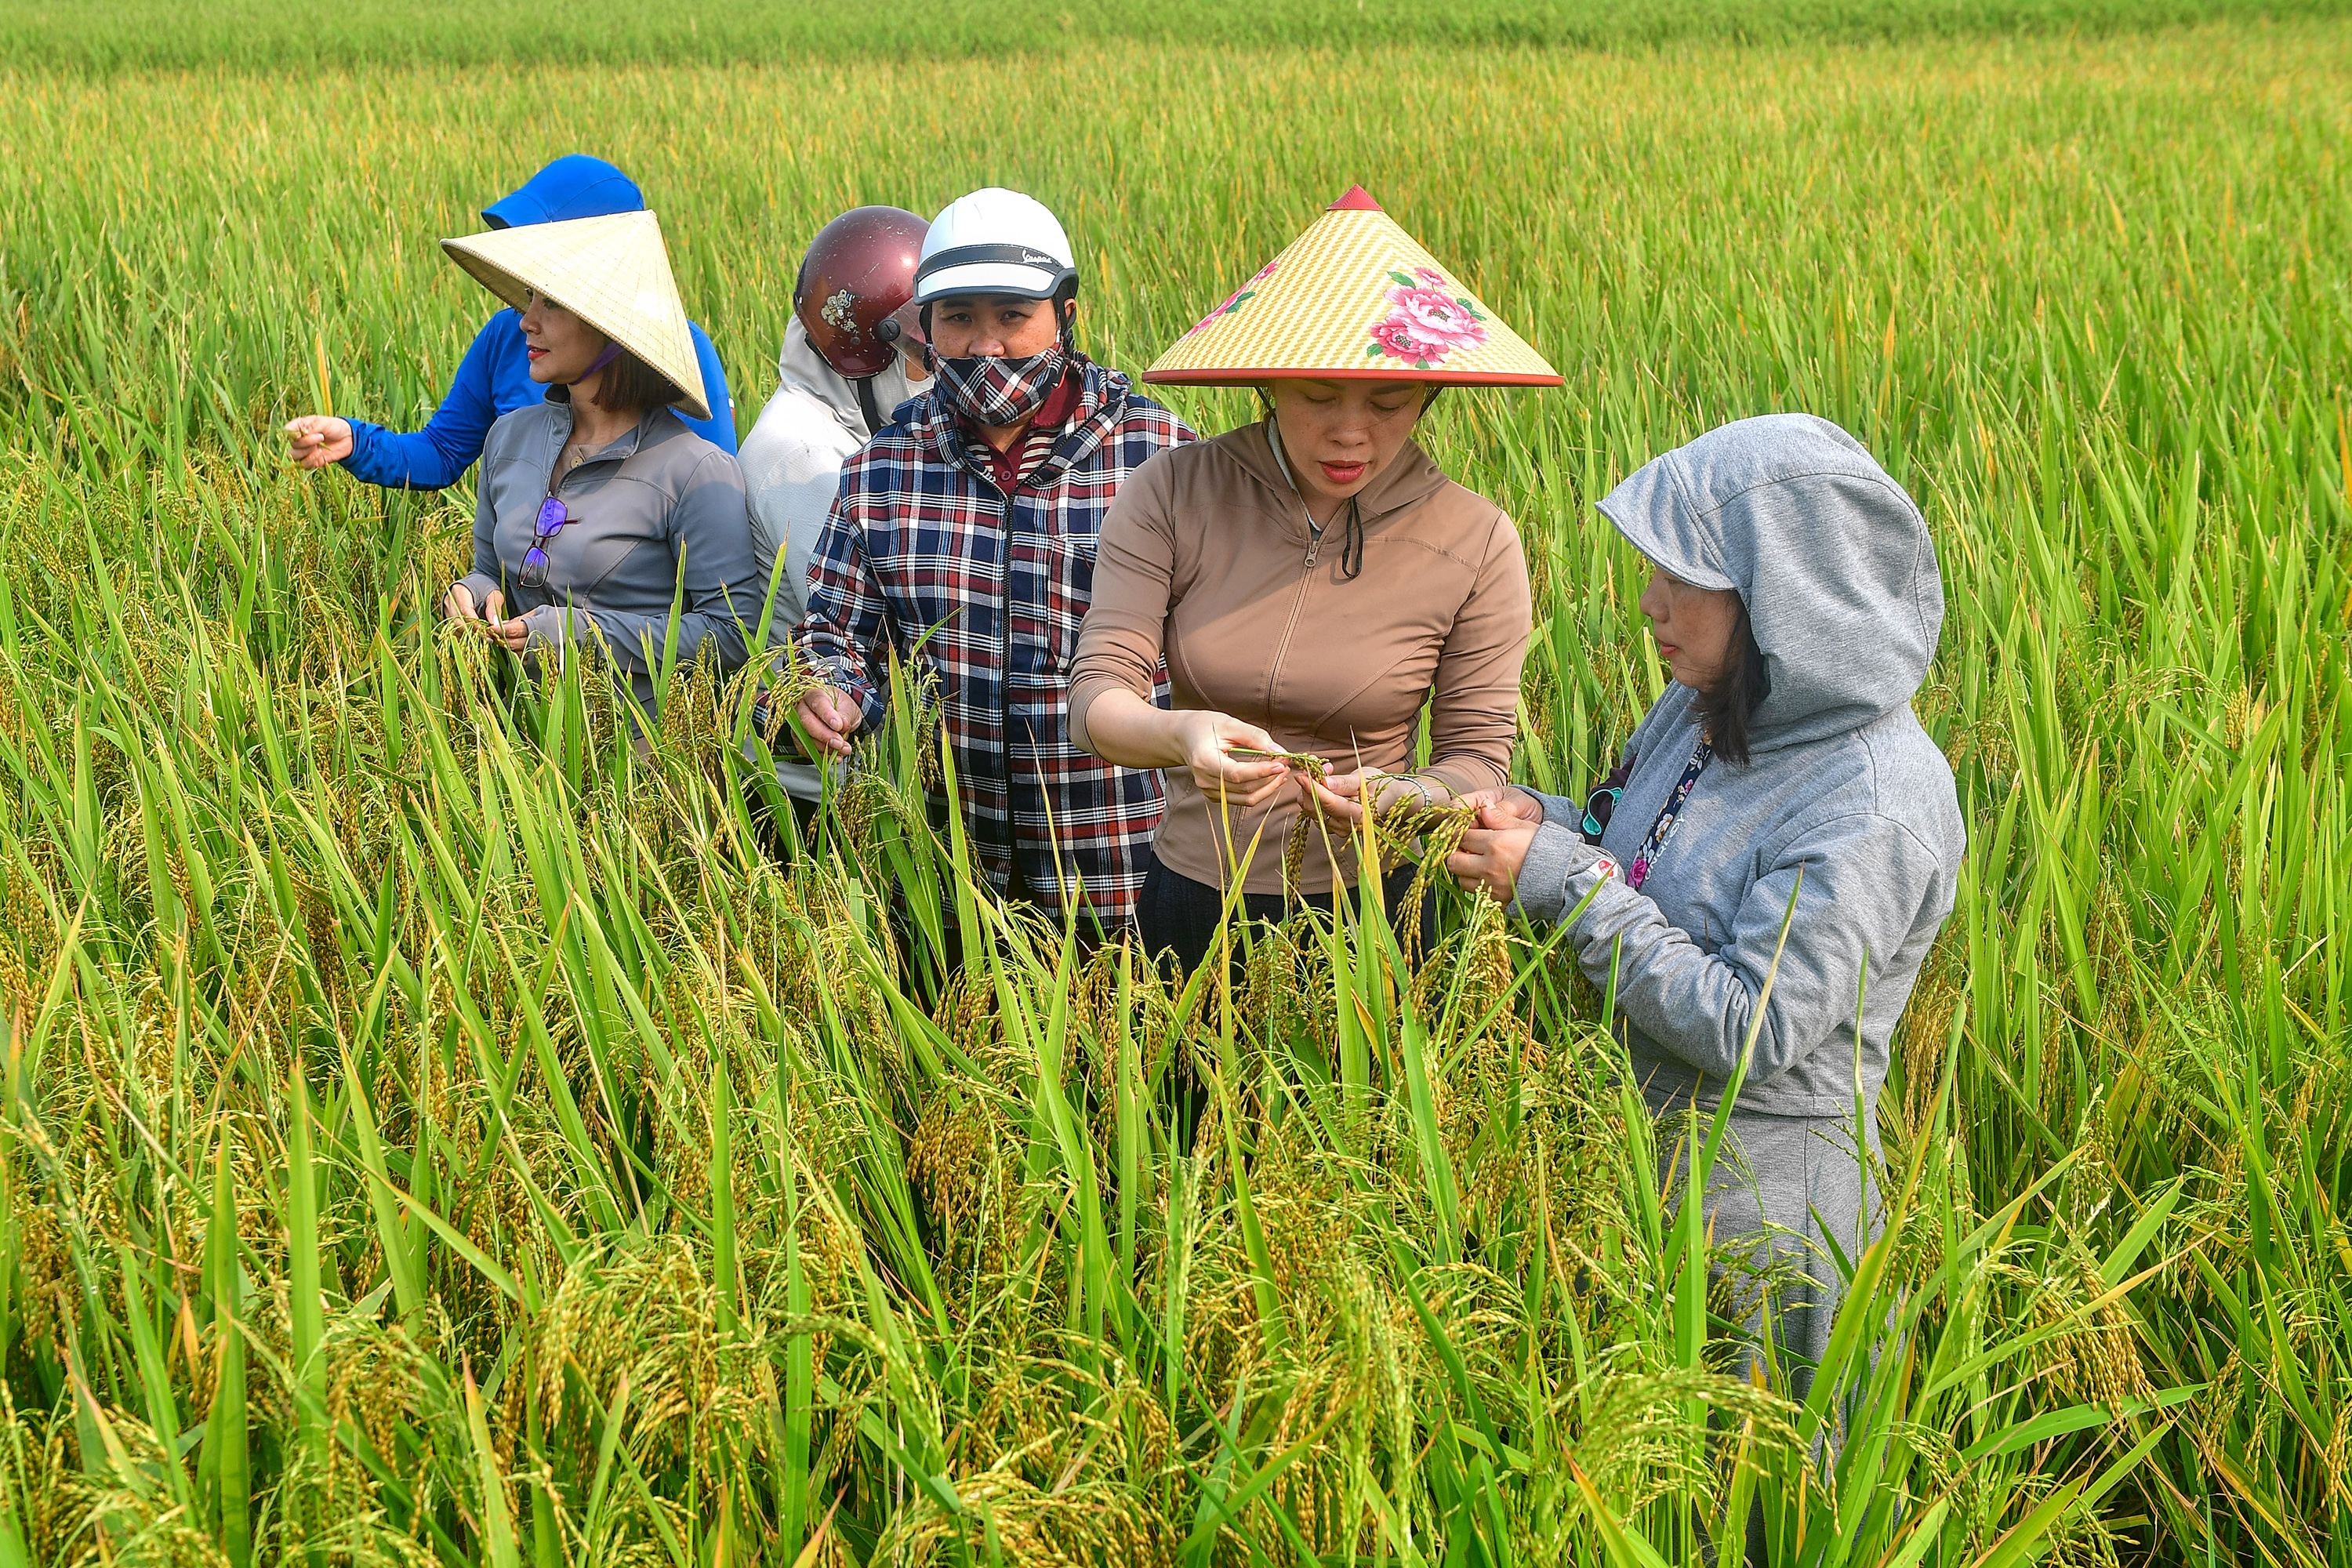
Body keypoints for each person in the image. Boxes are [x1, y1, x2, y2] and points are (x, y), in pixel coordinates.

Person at [1444, 413, 1965, 1399]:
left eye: (1681, 578)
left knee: (1755, 1481)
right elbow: (1633, 851)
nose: (1650, 602)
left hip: (1767, 1229)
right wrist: (1543, 822)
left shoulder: (1873, 803)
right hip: (1641, 1177)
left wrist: (1561, 881)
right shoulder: (1709, 702)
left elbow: (1749, 1023)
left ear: (1785, 594)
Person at [1067, 187, 1556, 971]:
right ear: (1269, 382)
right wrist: (1181, 735)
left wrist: (1404, 797)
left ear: (1429, 393)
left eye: (1389, 402)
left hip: (1374, 903)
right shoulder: (1173, 491)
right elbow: (1097, 699)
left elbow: (1477, 757)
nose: (1351, 432)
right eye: (1318, 396)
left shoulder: (1476, 538)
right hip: (1191, 893)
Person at [794, 188, 1192, 929]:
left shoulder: (1159, 456)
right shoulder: (882, 471)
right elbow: (836, 634)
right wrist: (827, 692)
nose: (986, 346)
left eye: (1012, 316)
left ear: (1066, 315)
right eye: (958, 318)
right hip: (949, 884)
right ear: (926, 327)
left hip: (1128, 869)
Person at [435, 210, 759, 725]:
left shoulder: (697, 471)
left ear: (612, 332)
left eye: (551, 303)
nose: (526, 320)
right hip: (516, 739)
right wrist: (472, 593)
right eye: (530, 297)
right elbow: (490, 571)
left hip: (639, 752)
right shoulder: (509, 438)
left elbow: (734, 635)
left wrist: (580, 633)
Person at [285, 156, 737, 488]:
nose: (528, 321)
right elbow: (442, 452)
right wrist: (357, 442)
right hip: (521, 572)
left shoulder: (680, 355)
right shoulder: (505, 337)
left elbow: (712, 494)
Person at [739, 206, 931, 817]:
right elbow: (883, 634)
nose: (932, 376)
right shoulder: (802, 458)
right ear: (864, 361)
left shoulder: (851, 435)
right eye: (918, 357)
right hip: (819, 800)